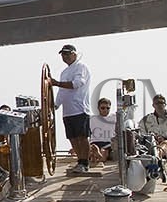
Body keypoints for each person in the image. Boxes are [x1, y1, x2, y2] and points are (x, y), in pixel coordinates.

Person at [46, 44, 92, 174]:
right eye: (63, 54)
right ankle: (80, 161)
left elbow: (77, 83)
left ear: (74, 54)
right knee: (72, 137)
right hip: (67, 111)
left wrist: (56, 83)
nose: (65, 56)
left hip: (80, 108)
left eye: (67, 53)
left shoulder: (81, 67)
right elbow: (62, 91)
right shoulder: (64, 72)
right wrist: (55, 105)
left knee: (82, 137)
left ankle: (85, 163)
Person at [90, 97, 117, 164]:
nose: (105, 110)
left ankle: (97, 155)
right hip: (95, 142)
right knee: (89, 150)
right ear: (98, 108)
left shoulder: (114, 117)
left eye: (108, 108)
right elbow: (84, 134)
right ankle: (95, 154)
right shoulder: (92, 119)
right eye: (102, 108)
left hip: (108, 143)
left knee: (103, 151)